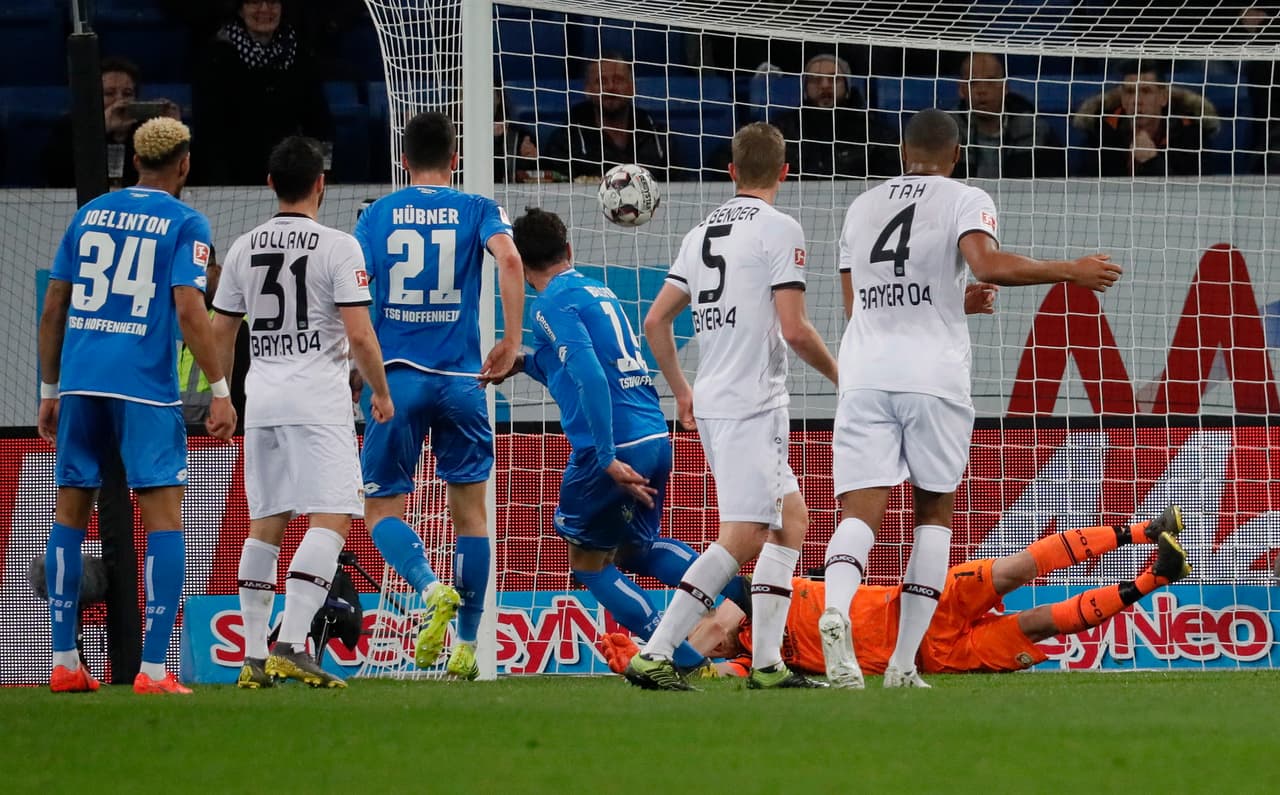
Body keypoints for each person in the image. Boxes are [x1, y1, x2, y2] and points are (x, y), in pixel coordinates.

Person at [820, 109, 1122, 689]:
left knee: (858, 514)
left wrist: (952, 304)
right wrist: (1071, 270)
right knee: (933, 515)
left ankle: (835, 608)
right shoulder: (965, 197)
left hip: (863, 375)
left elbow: (861, 308)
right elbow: (986, 263)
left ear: (902, 152)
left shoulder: (862, 206)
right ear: (956, 155)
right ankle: (903, 664)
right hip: (932, 378)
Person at [485, 207, 745, 676]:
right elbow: (575, 367)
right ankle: (742, 594)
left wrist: (604, 456)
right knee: (635, 549)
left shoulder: (549, 306)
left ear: (520, 266)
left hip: (613, 448)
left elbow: (589, 375)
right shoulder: (596, 290)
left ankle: (679, 657)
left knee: (588, 562)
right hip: (653, 434)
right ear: (568, 250)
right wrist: (523, 363)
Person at [625, 121, 839, 691]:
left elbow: (655, 320)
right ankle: (655, 653)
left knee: (791, 521)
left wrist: (682, 389)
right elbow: (794, 329)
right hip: (752, 403)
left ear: (732, 171)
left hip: (717, 398)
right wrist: (847, 379)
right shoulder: (780, 228)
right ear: (785, 171)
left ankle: (766, 664)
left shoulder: (700, 233)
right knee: (744, 535)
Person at [37, 117, 237, 694]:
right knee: (165, 520)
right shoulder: (185, 222)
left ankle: (64, 661)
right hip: (144, 388)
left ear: (132, 162)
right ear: (185, 164)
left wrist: (50, 391)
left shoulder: (89, 213)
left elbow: (54, 307)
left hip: (81, 382)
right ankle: (152, 668)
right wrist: (220, 391)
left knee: (70, 513)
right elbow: (189, 307)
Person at [601, 508, 1191, 678]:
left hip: (913, 606)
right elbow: (717, 672)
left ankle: (1143, 529)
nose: (715, 637)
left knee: (1012, 572)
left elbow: (713, 628)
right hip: (929, 655)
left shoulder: (760, 593)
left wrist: (663, 654)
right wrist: (656, 663)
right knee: (1035, 623)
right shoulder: (761, 663)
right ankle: (1156, 575)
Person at [210, 136, 391, 689]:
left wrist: (222, 394)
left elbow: (221, 330)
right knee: (333, 515)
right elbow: (360, 334)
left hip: (261, 399)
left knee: (267, 521)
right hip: (316, 400)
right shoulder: (338, 247)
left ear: (271, 184)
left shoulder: (242, 247)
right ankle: (291, 642)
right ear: (321, 184)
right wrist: (381, 392)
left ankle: (253, 656)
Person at [356, 111, 524, 681]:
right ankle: (468, 646)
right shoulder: (477, 207)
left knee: (381, 510)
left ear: (403, 159)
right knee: (471, 517)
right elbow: (510, 259)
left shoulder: (376, 216)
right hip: (462, 382)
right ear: (455, 158)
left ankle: (430, 588)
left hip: (396, 380)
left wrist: (356, 369)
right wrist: (511, 339)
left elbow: (354, 296)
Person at [192, 0, 333, 185]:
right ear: (240, 10)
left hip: (289, 175)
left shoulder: (300, 55)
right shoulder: (216, 57)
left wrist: (323, 172)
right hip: (232, 176)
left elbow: (319, 122)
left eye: (273, 2)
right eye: (255, 2)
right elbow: (209, 131)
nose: (265, 9)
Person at [41, 56, 183, 189]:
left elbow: (181, 176)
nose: (120, 100)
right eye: (109, 93)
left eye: (127, 93)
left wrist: (174, 134)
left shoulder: (148, 130)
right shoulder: (72, 126)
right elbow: (56, 175)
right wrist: (100, 130)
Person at [1073, 59, 1220, 178]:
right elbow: (1088, 188)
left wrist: (1152, 162)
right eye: (1130, 92)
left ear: (1163, 97)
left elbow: (1193, 195)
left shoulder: (1191, 135)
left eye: (1146, 91)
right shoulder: (1101, 133)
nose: (1136, 100)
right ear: (1122, 98)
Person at [545, 53, 670, 182]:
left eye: (618, 80)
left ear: (632, 88)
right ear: (587, 90)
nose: (610, 87)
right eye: (601, 81)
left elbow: (679, 186)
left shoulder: (659, 138)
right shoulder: (565, 141)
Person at [771, 53, 896, 179]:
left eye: (834, 79)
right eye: (815, 79)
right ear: (805, 88)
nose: (824, 85)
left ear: (847, 87)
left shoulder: (875, 134)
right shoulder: (782, 133)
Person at [950, 52, 1064, 179]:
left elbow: (1055, 182)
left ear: (1005, 87)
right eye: (973, 82)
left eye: (991, 81)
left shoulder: (1034, 131)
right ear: (961, 89)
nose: (982, 90)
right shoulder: (947, 134)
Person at [494, 88, 546, 183]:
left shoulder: (520, 137)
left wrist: (529, 160)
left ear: (498, 97)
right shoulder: (463, 137)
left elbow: (536, 174)